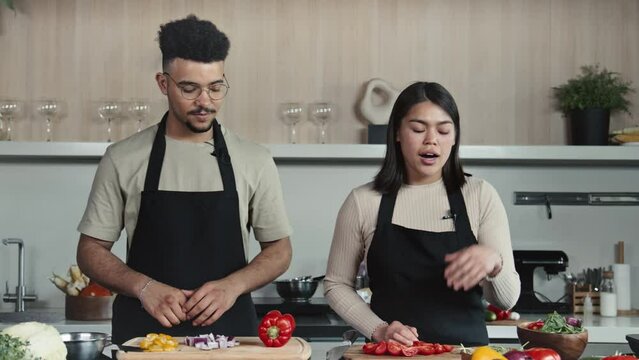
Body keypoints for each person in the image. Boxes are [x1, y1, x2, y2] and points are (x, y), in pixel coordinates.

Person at [76, 15, 292, 344]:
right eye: (189, 88)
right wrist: (144, 287)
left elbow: (280, 249)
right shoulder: (122, 158)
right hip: (143, 339)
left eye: (216, 87)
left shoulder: (254, 160)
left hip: (232, 341)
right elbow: (90, 250)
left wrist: (232, 286)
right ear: (163, 83)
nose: (205, 101)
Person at [324, 82, 520, 346]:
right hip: (392, 355)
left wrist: (495, 264)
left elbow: (507, 300)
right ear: (397, 133)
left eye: (443, 130)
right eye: (418, 129)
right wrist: (379, 329)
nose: (431, 139)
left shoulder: (480, 196)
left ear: (454, 137)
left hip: (467, 354)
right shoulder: (364, 201)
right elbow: (336, 285)